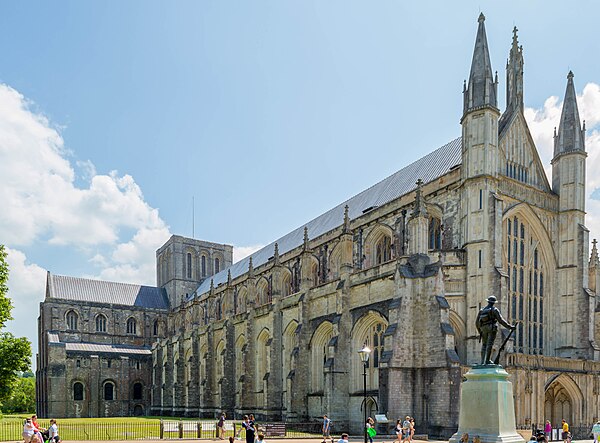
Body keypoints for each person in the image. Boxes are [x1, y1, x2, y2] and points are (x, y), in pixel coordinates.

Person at [475, 296, 516, 365]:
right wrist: (510, 327)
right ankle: (487, 361)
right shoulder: (494, 310)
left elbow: (476, 323)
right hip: (491, 328)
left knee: (484, 345)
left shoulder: (482, 310)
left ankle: (482, 361)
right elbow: (501, 321)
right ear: (494, 303)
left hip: (483, 329)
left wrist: (480, 331)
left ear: (488, 301)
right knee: (489, 344)